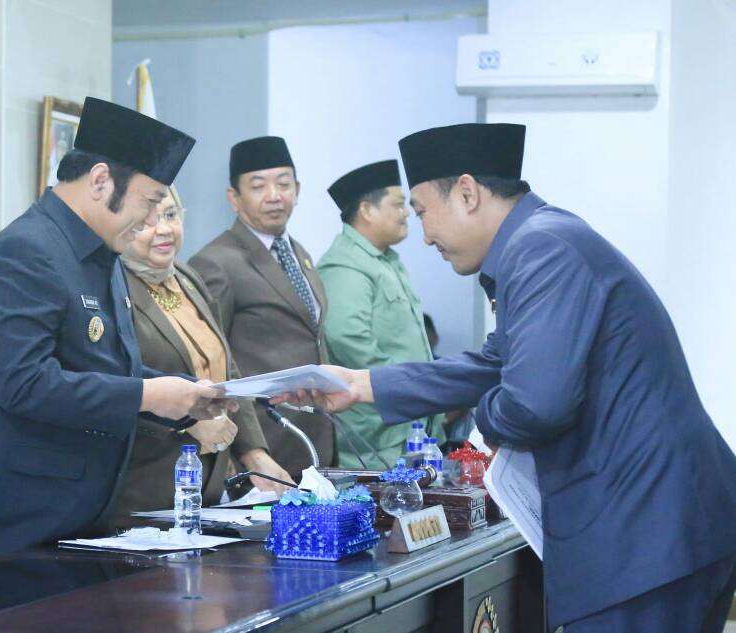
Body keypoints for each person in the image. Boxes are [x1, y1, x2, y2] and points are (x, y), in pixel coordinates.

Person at [279, 123, 736, 633]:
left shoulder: (541, 250)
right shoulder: (542, 239)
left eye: (423, 211)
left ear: (467, 193)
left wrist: (484, 421)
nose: (424, 235)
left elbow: (534, 405)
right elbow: (495, 363)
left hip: (643, 533)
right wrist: (363, 384)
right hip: (655, 529)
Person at [0, 97, 235, 564]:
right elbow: (24, 383)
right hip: (11, 524)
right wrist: (150, 395)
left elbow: (111, 368)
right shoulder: (25, 251)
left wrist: (185, 397)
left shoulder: (102, 256)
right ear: (99, 181)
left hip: (79, 518)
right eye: (149, 201)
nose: (152, 221)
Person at [107, 193, 294, 528]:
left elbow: (226, 370)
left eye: (171, 215)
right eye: (148, 221)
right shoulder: (112, 287)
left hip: (208, 486)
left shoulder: (186, 277)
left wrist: (254, 453)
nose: (164, 229)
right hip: (145, 485)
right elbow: (115, 382)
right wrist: (187, 419)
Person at [189, 136, 334, 479]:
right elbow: (212, 363)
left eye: (283, 184)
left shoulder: (298, 253)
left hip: (316, 434)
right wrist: (250, 451)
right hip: (265, 444)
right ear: (233, 197)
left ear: (297, 189)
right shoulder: (215, 262)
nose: (274, 195)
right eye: (258, 186)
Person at [317, 160, 445, 469]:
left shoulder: (385, 260)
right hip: (379, 432)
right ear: (367, 211)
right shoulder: (346, 264)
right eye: (398, 205)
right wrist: (402, 385)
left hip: (409, 420)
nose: (407, 213)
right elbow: (347, 336)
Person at [423, 313, 474, 448]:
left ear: (435, 338)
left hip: (440, 438)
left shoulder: (446, 368)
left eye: (425, 334)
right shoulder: (402, 370)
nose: (422, 341)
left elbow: (465, 400)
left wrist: (442, 423)